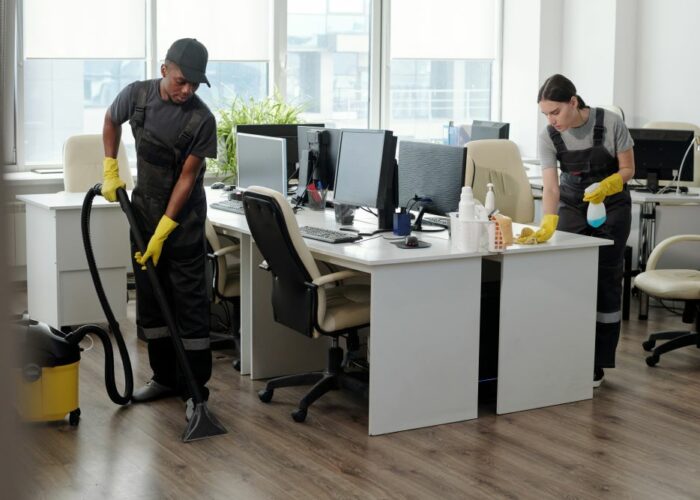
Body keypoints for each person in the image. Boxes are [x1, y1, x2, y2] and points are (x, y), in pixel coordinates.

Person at [101, 38, 217, 411]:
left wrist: (165, 229)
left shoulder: (202, 120)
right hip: (143, 214)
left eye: (195, 85)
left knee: (189, 306)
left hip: (182, 222)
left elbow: (187, 179)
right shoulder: (137, 96)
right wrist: (110, 168)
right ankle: (165, 378)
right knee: (152, 301)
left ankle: (196, 393)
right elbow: (109, 119)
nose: (187, 90)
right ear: (165, 69)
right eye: (182, 80)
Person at [523, 74, 634, 387]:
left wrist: (610, 183)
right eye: (546, 114)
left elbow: (628, 169)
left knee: (605, 278)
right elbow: (550, 188)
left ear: (573, 101)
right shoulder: (548, 136)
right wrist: (547, 223)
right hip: (572, 205)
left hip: (611, 207)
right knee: (567, 277)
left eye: (555, 111)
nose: (551, 120)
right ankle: (567, 351)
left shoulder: (610, 123)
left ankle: (597, 362)